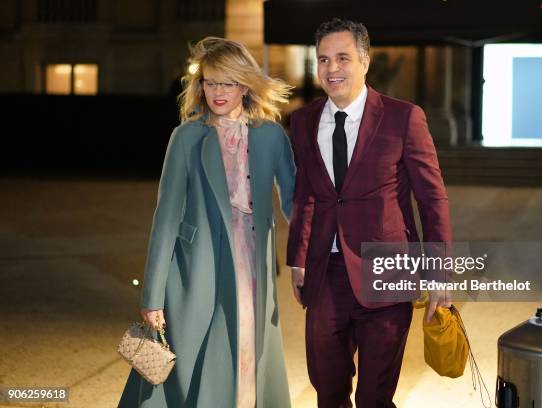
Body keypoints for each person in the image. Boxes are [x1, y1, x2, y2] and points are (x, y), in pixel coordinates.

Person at [119, 37, 295, 408]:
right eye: (210, 81)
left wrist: (318, 248)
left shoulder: (272, 136)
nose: (217, 91)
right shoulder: (185, 137)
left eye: (227, 82)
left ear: (245, 84)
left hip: (251, 265)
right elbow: (166, 217)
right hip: (196, 267)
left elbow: (295, 203)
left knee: (248, 347)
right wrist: (152, 294)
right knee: (190, 362)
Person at [286, 18, 452, 407]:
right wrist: (297, 258)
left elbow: (433, 199)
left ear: (365, 60)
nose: (332, 69)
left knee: (375, 395)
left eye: (342, 58)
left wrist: (439, 271)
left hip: (387, 272)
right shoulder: (303, 121)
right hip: (326, 273)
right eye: (323, 60)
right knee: (327, 388)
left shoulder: (403, 118)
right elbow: (306, 194)